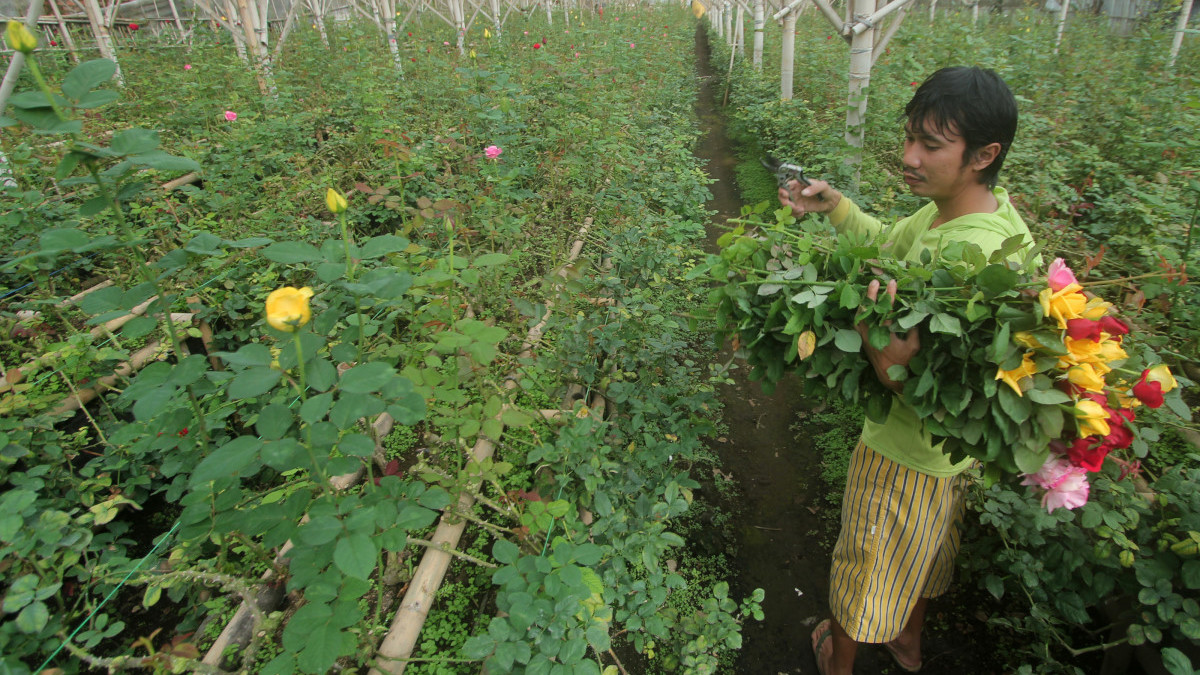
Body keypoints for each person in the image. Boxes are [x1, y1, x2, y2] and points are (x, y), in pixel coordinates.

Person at [777, 66, 1036, 675]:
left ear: (984, 154)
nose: (909, 156)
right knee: (919, 559)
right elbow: (888, 241)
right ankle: (908, 645)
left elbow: (902, 377)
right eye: (910, 137)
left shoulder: (962, 255)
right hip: (949, 457)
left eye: (931, 145)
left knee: (863, 566)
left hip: (901, 453)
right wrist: (837, 207)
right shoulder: (975, 220)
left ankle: (839, 664)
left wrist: (869, 328)